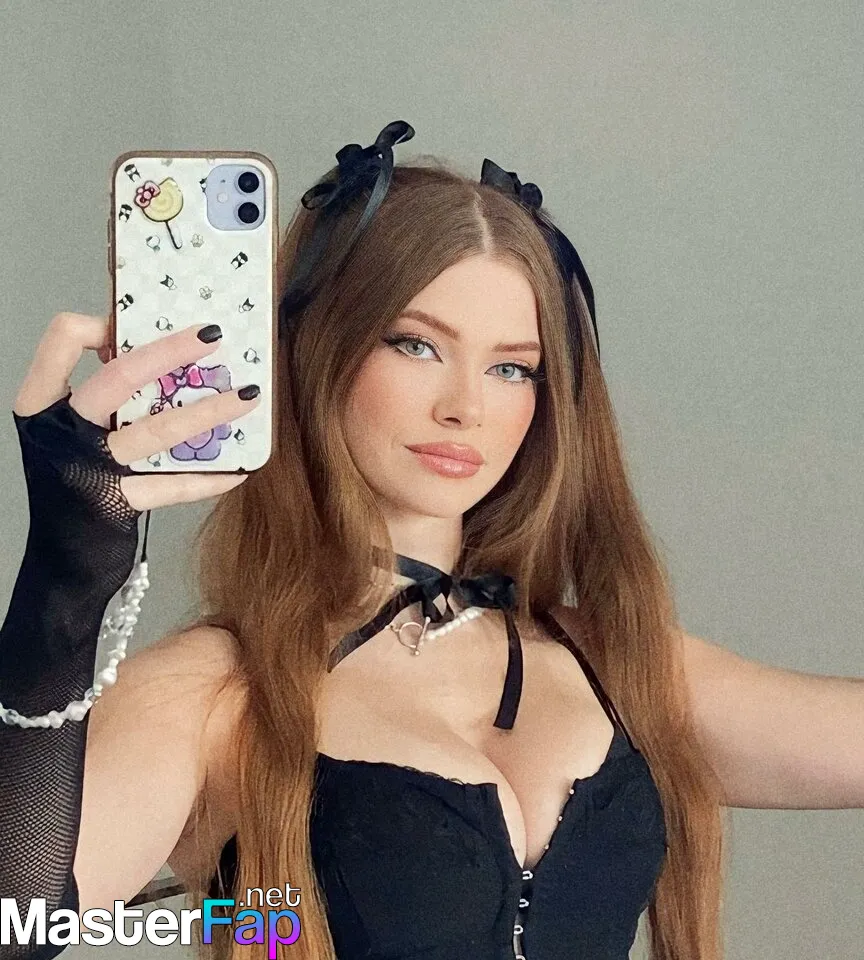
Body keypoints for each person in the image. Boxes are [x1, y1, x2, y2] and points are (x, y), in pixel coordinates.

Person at [0, 121, 729, 960]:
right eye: (415, 345)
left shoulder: (620, 659)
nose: (466, 407)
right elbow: (17, 923)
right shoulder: (211, 693)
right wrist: (63, 578)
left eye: (511, 367)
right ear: (316, 354)